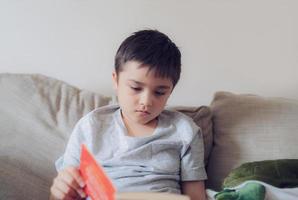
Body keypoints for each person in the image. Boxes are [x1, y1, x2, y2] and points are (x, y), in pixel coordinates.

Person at [50, 29, 207, 200]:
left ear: (170, 91)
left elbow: (196, 196)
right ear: (115, 80)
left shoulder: (185, 131)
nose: (146, 101)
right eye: (135, 88)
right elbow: (64, 192)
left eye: (160, 92)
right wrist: (59, 193)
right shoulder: (91, 126)